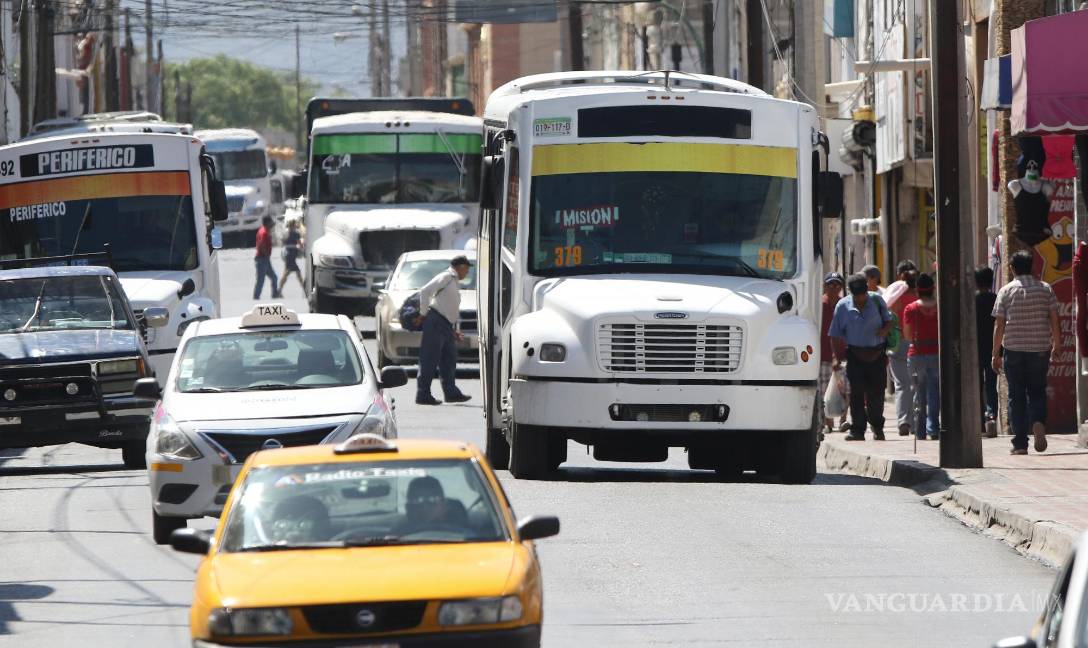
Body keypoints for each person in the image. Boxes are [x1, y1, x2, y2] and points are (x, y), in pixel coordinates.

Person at [992, 250, 1060, 455]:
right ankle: (1038, 421)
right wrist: (1057, 344)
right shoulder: (1045, 289)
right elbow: (1054, 318)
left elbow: (999, 324)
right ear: (1032, 267)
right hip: (1039, 349)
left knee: (1016, 395)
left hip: (1013, 349)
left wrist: (995, 353)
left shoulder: (1005, 291)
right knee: (1037, 390)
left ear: (1012, 268)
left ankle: (1020, 444)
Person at [829, 273, 894, 441]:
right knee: (856, 394)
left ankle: (877, 427)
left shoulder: (877, 301)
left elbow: (889, 321)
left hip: (877, 355)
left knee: (876, 395)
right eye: (856, 296)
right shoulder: (842, 307)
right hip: (855, 356)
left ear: (867, 291)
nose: (860, 299)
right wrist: (837, 357)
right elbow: (835, 334)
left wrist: (884, 330)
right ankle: (857, 430)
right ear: (851, 293)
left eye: (863, 294)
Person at [415, 255, 472, 406]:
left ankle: (451, 393)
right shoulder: (446, 276)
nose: (467, 273)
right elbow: (425, 291)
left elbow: (448, 307)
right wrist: (423, 314)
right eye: (466, 269)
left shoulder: (453, 280)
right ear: (460, 267)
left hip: (445, 325)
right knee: (429, 359)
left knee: (449, 359)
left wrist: (452, 330)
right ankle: (423, 394)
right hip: (435, 321)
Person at [902, 273, 940, 440]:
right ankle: (934, 428)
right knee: (934, 392)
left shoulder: (911, 309)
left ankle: (920, 430)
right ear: (933, 288)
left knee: (918, 392)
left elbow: (908, 336)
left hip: (917, 354)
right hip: (936, 352)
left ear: (917, 290)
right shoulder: (940, 307)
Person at [884, 260, 918, 436]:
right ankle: (915, 421)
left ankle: (904, 420)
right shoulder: (920, 297)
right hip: (915, 343)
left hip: (897, 343)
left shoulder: (895, 295)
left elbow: (889, 315)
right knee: (915, 383)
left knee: (901, 384)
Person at [820, 272, 847, 435]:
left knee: (845, 390)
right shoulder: (820, 305)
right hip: (823, 355)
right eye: (830, 284)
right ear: (825, 286)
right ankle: (827, 422)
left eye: (837, 285)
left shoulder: (844, 305)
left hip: (842, 353)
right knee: (824, 390)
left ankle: (844, 420)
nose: (834, 288)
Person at [393, 476, 468, 536]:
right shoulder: (393, 539)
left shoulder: (466, 537)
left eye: (433, 500)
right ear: (408, 507)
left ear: (444, 506)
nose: (425, 507)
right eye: (417, 501)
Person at [975, 266, 999, 438]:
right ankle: (991, 417)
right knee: (991, 385)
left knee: (976, 386)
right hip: (992, 347)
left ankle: (978, 420)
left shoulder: (972, 300)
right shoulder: (995, 299)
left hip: (975, 349)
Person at [253, 215, 282, 300]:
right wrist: (266, 254)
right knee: (261, 280)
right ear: (267, 223)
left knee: (274, 277)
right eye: (270, 222)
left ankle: (275, 294)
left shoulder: (263, 230)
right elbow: (261, 244)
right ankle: (256, 297)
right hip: (262, 259)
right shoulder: (264, 232)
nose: (272, 224)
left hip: (264, 259)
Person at [277, 219, 305, 296]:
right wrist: (302, 249)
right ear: (293, 226)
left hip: (287, 255)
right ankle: (305, 291)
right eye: (294, 225)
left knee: (287, 273)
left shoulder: (286, 233)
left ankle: (279, 290)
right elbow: (300, 244)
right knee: (296, 273)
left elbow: (282, 242)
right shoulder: (296, 234)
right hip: (291, 255)